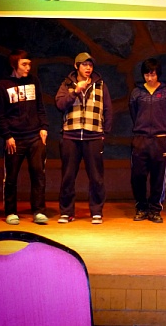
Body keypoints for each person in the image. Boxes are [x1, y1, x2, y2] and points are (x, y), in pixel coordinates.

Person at [55, 52, 112, 224]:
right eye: (84, 65)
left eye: (90, 65)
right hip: (71, 135)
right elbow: (60, 104)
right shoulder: (67, 84)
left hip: (93, 135)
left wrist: (105, 132)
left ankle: (96, 211)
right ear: (76, 66)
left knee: (96, 176)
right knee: (68, 176)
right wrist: (75, 91)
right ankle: (67, 212)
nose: (88, 68)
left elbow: (108, 109)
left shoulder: (100, 85)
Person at [0, 49, 49, 225]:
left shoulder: (34, 81)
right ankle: (11, 212)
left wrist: (44, 127)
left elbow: (40, 106)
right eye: (24, 64)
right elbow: (0, 114)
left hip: (35, 136)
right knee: (11, 177)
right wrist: (7, 136)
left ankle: (39, 211)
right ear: (14, 65)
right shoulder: (3, 85)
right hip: (14, 138)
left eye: (29, 64)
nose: (28, 67)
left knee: (38, 174)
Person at [129, 58, 166, 223]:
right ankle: (141, 208)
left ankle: (155, 209)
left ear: (158, 74)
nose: (149, 78)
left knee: (158, 177)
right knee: (138, 176)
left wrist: (161, 127)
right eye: (147, 75)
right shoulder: (137, 92)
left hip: (160, 139)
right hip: (140, 138)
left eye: (152, 74)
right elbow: (134, 113)